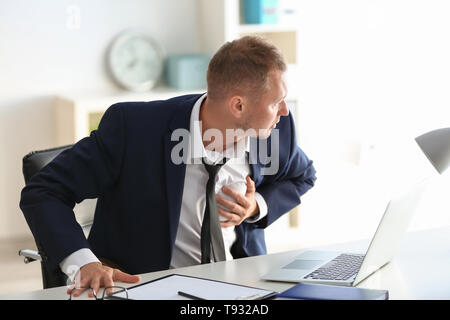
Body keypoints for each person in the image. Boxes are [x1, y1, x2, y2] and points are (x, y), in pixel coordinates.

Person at [20, 36, 316, 297]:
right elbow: (44, 191)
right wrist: (84, 263)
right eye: (276, 101)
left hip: (243, 287)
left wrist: (256, 206)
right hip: (146, 285)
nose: (285, 110)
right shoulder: (135, 129)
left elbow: (303, 175)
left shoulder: (274, 131)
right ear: (238, 106)